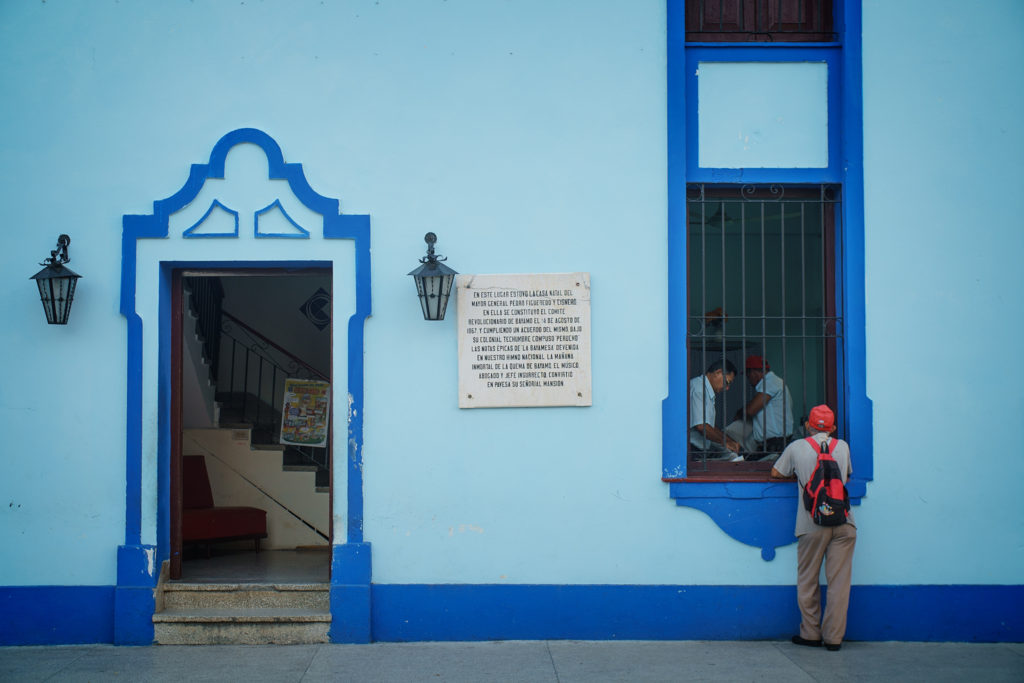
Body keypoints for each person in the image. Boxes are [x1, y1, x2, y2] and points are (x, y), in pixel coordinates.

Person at [770, 404, 856, 651]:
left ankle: (810, 634)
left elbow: (776, 472)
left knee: (808, 580)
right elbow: (846, 476)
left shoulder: (797, 447)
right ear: (833, 428)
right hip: (844, 523)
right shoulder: (843, 447)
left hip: (811, 523)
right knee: (839, 583)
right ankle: (834, 639)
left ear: (807, 425)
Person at [740, 355, 794, 458]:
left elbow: (751, 410)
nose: (749, 380)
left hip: (775, 444)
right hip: (773, 444)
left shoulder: (770, 382)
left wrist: (740, 414)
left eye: (748, 376)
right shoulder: (775, 382)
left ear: (754, 373)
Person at [688, 359, 742, 458]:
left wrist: (729, 441)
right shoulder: (699, 389)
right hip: (692, 449)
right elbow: (701, 426)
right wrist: (725, 442)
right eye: (727, 382)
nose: (727, 388)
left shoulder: (705, 389)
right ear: (718, 373)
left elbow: (709, 426)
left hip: (697, 450)